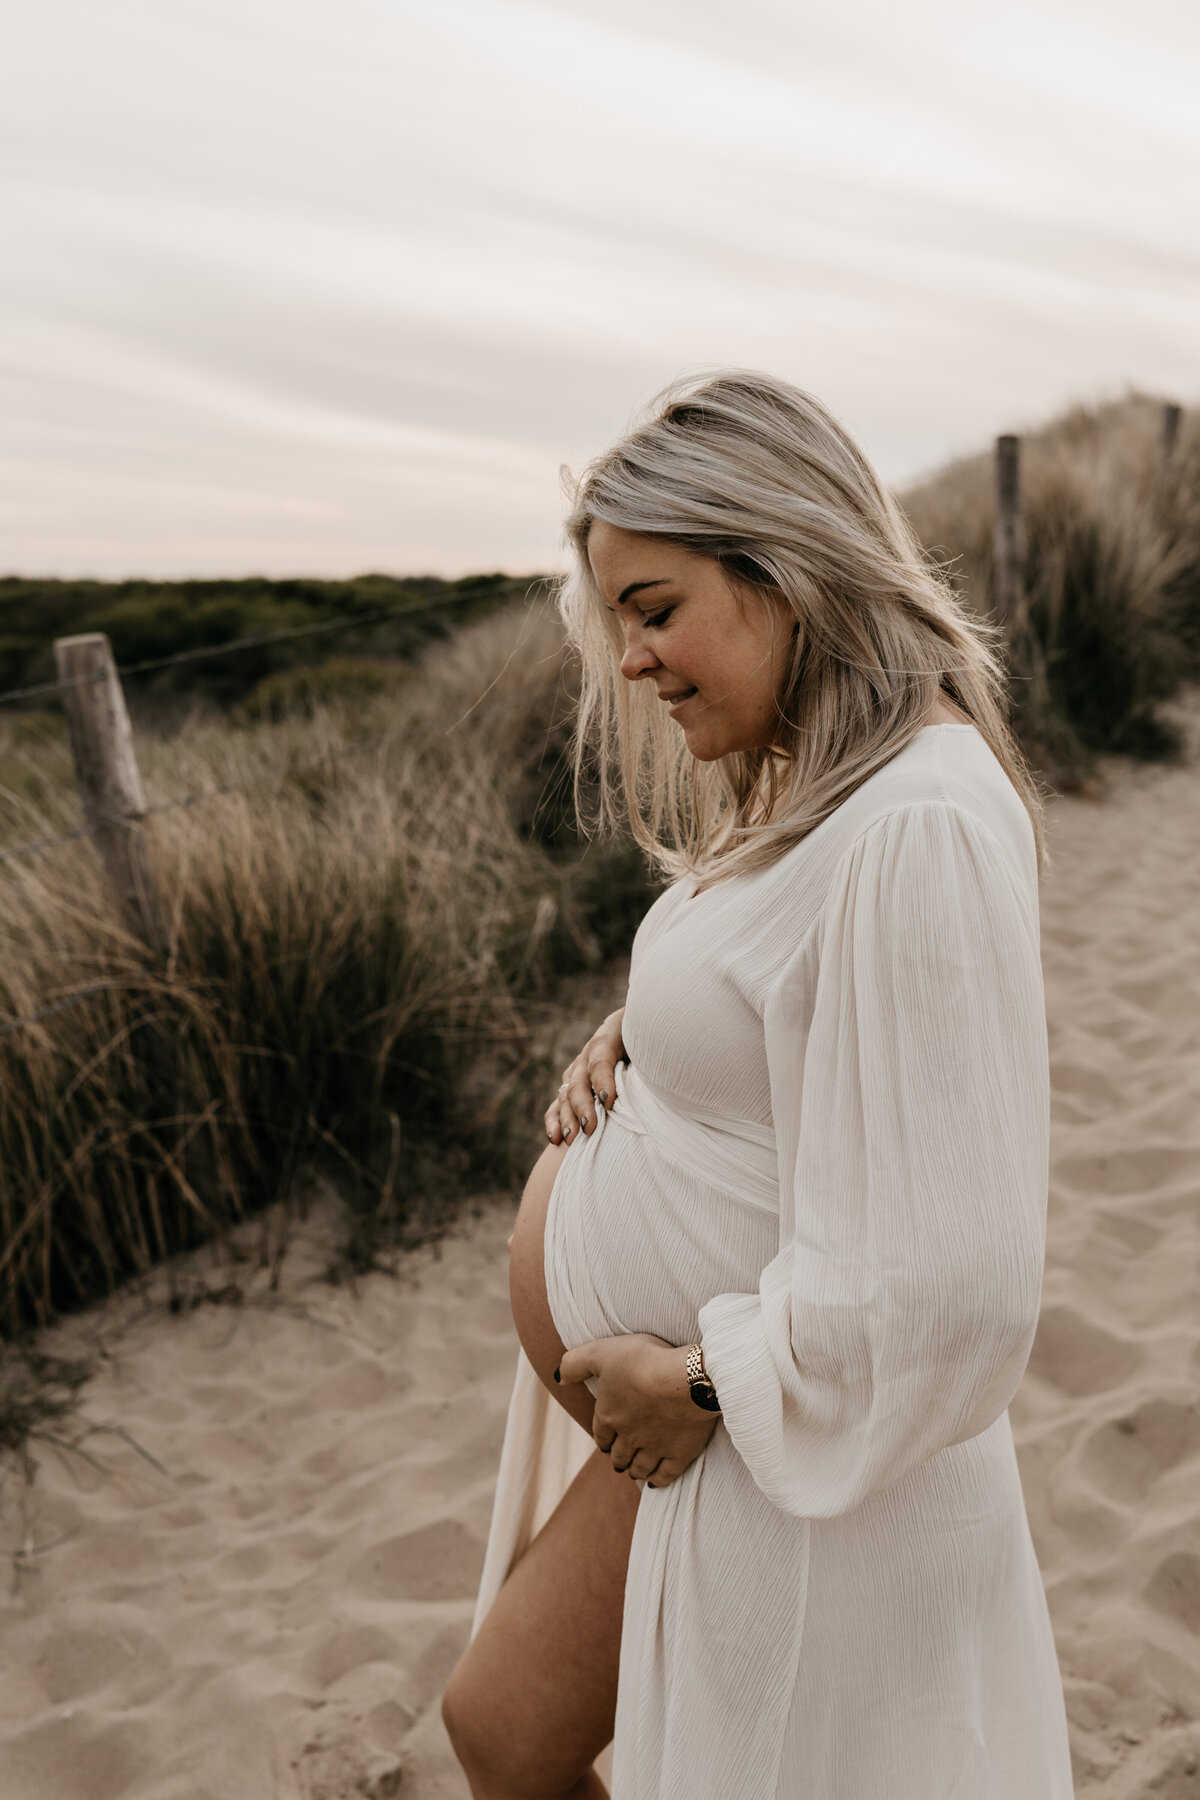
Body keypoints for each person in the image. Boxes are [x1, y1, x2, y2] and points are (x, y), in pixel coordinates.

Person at [442, 370, 1074, 1799]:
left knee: (509, 1737)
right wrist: (653, 1038)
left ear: (783, 565)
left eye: (654, 608)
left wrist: (709, 1381)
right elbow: (801, 1004)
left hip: (770, 1447)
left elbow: (965, 1277)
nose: (631, 662)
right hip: (713, 1435)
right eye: (618, 623)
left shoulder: (919, 818)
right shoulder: (827, 788)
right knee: (502, 1730)